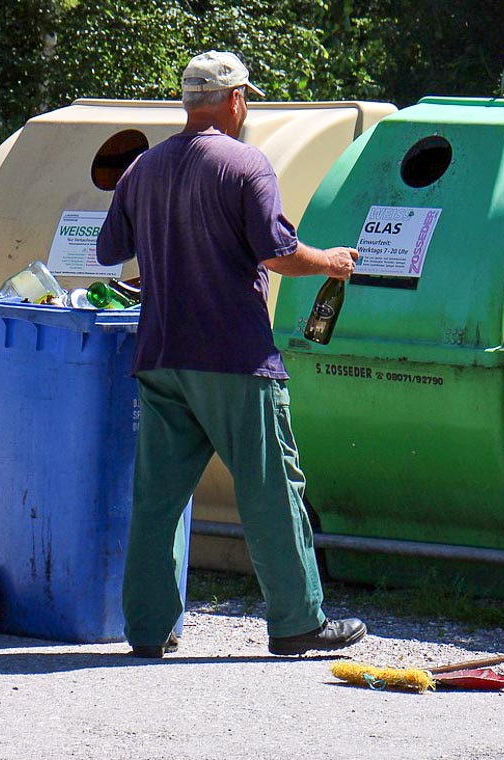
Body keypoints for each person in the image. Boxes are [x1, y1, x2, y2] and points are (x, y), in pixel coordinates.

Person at [96, 50, 366, 658]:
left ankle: (147, 628)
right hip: (236, 360)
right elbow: (276, 254)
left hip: (161, 355)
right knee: (272, 489)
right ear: (237, 100)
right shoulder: (246, 164)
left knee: (159, 498)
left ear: (188, 104)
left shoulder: (143, 169)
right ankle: (298, 622)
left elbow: (111, 251)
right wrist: (331, 262)